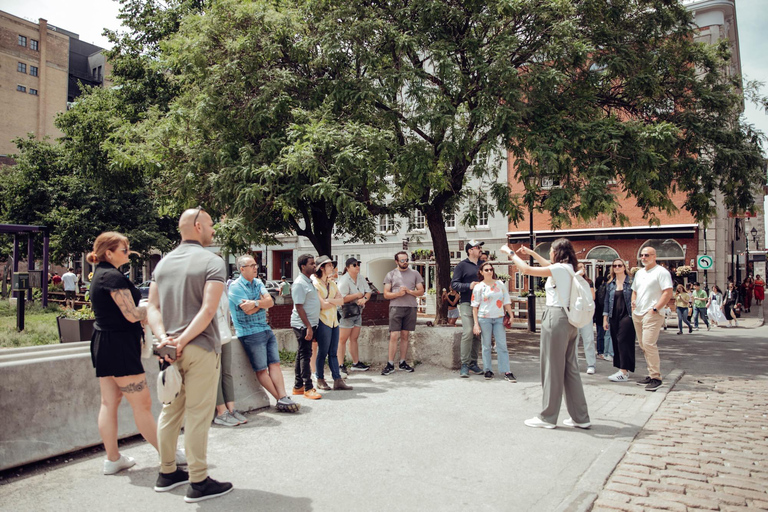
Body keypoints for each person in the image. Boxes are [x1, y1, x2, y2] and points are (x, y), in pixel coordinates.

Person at [147, 208, 233, 503]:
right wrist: (183, 340)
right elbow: (208, 310)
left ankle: (167, 472)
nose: (213, 230)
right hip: (199, 347)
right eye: (210, 225)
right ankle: (198, 480)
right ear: (197, 226)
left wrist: (165, 340)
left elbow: (152, 308)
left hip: (169, 350)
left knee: (171, 411)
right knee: (198, 414)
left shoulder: (163, 263)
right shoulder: (213, 261)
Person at [88, 233, 176, 475]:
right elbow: (130, 314)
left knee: (109, 402)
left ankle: (113, 459)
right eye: (124, 250)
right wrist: (148, 309)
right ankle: (167, 454)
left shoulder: (100, 274)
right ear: (109, 253)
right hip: (118, 346)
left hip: (103, 342)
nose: (128, 253)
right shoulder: (112, 277)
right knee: (142, 404)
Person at [507, 239, 591, 429]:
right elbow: (547, 265)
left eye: (551, 251)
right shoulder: (568, 268)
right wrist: (532, 252)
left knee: (552, 368)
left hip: (555, 317)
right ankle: (581, 417)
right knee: (570, 369)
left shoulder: (560, 270)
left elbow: (526, 270)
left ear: (557, 252)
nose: (550, 254)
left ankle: (548, 416)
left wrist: (510, 254)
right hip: (569, 319)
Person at [228, 255, 300, 414]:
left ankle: (283, 397)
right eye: (252, 265)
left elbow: (271, 302)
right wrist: (261, 304)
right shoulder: (235, 287)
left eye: (256, 265)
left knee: (275, 364)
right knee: (261, 369)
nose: (256, 268)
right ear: (242, 269)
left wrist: (255, 303)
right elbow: (247, 311)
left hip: (265, 329)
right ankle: (280, 399)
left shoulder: (258, 282)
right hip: (249, 332)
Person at [631, 247, 674, 391]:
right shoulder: (639, 273)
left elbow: (667, 292)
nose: (643, 258)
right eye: (641, 255)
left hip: (652, 314)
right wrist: (633, 304)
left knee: (649, 344)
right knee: (643, 345)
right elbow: (634, 291)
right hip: (638, 313)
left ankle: (656, 377)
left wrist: (655, 309)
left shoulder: (661, 272)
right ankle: (651, 374)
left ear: (654, 256)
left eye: (647, 255)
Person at [471, 261, 516, 382]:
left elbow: (506, 300)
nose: (489, 272)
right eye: (486, 270)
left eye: (491, 269)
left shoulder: (500, 284)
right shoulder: (479, 287)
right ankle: (488, 369)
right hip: (484, 318)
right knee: (486, 345)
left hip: (499, 317)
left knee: (502, 344)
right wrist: (476, 324)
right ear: (481, 272)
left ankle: (506, 370)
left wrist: (511, 315)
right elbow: (474, 306)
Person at [313, 255, 353, 391]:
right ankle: (320, 378)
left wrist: (328, 300)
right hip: (323, 320)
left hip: (334, 321)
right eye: (329, 265)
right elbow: (322, 305)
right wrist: (332, 301)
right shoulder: (315, 283)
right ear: (321, 268)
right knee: (323, 351)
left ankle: (337, 379)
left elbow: (341, 301)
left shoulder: (332, 283)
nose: (332, 267)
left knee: (333, 352)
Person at [381, 251, 423, 375]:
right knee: (394, 335)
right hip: (396, 307)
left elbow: (421, 291)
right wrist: (397, 294)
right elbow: (386, 294)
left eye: (406, 260)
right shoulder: (391, 274)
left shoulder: (415, 273)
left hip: (410, 307)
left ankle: (403, 362)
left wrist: (409, 291)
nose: (405, 263)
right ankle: (390, 363)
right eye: (402, 260)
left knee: (405, 335)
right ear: (397, 261)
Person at [290, 254, 323, 399]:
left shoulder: (308, 281)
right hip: (303, 325)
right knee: (306, 354)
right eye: (311, 264)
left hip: (310, 324)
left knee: (302, 353)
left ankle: (298, 386)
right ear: (303, 266)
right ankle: (308, 387)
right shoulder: (299, 283)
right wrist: (308, 326)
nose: (314, 266)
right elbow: (299, 307)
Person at [451, 240, 485, 378]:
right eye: (478, 247)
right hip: (466, 302)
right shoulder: (462, 265)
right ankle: (464, 364)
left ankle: (473, 363)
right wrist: (468, 286)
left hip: (482, 304)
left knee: (478, 334)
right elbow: (454, 284)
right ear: (470, 250)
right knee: (468, 332)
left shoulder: (483, 265)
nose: (480, 249)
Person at [603, 259, 636, 383]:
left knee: (622, 340)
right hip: (614, 316)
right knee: (616, 342)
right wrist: (605, 319)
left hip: (628, 315)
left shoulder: (632, 282)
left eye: (619, 265)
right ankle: (622, 369)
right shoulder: (610, 284)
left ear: (624, 267)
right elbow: (606, 301)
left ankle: (623, 371)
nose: (617, 267)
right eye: (614, 265)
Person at [337, 257, 372, 373]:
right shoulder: (344, 280)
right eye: (354, 265)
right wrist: (357, 295)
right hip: (346, 311)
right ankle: (340, 365)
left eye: (358, 265)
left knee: (354, 338)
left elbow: (368, 291)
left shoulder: (360, 277)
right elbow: (340, 298)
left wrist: (364, 299)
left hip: (357, 310)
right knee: (342, 339)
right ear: (348, 268)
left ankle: (355, 363)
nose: (357, 267)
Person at [576, 268, 597, 375]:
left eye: (582, 268)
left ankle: (591, 364)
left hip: (586, 314)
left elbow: (592, 297)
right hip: (575, 314)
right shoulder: (572, 281)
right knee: (573, 341)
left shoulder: (588, 282)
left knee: (588, 340)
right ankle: (574, 364)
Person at [594, 274, 613, 362]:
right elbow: (603, 302)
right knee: (606, 334)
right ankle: (605, 352)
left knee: (601, 334)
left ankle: (602, 352)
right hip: (603, 314)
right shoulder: (606, 288)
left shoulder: (599, 290)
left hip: (599, 314)